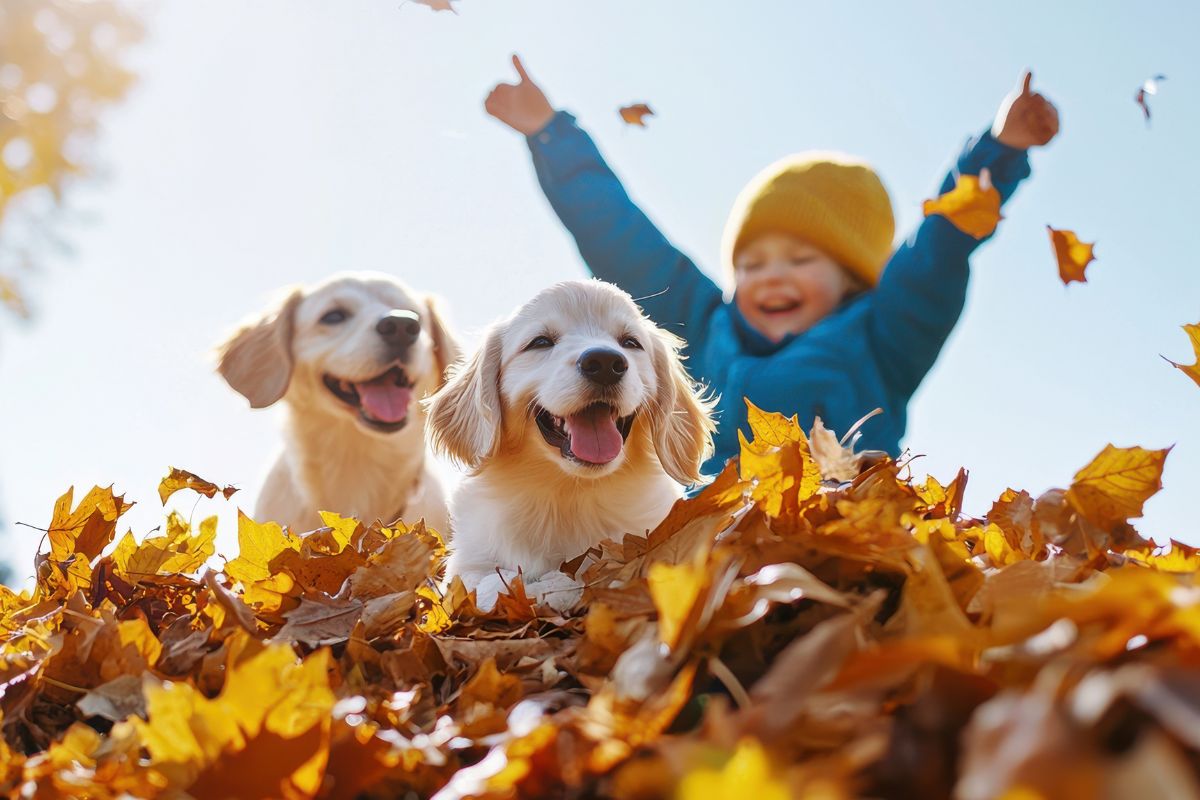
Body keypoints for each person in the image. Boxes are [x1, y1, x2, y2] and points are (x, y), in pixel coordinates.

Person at [485, 56, 1059, 478]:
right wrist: (550, 133)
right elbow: (620, 235)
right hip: (706, 533)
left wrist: (1001, 149)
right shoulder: (706, 326)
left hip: (842, 527)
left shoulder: (884, 336)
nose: (770, 276)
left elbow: (939, 247)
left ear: (853, 280)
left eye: (801, 259)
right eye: (752, 263)